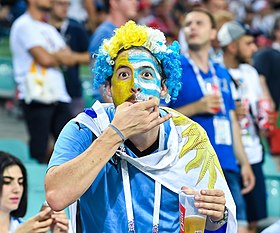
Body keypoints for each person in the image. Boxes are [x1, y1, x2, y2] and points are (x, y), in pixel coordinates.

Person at [45, 21, 237, 232]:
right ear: (108, 89)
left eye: (146, 74)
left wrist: (218, 217)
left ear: (163, 88)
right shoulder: (86, 128)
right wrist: (116, 133)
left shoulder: (188, 136)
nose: (134, 84)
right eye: (123, 74)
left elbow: (211, 225)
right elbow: (56, 196)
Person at [168, 8, 255, 233]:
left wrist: (243, 162)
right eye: (188, 24)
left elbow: (232, 120)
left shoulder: (222, 72)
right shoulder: (175, 69)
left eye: (199, 23)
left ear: (214, 32)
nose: (192, 28)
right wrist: (196, 107)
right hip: (194, 164)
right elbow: (162, 116)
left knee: (240, 227)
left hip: (227, 162)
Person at [9, 0, 81, 163]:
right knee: (39, 150)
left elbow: (69, 58)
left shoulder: (48, 28)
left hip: (59, 95)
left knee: (71, 148)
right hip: (36, 95)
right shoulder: (23, 25)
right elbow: (45, 59)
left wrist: (54, 57)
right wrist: (58, 57)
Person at [218, 20, 269, 233]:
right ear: (232, 46)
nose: (254, 48)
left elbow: (262, 109)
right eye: (248, 43)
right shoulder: (216, 71)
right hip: (231, 157)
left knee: (254, 221)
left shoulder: (251, 72)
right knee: (234, 224)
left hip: (254, 154)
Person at [0, 151, 69, 233]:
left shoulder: (25, 228)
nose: (17, 189)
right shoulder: (24, 230)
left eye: (20, 182)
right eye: (7, 182)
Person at [88, 0, 138, 103]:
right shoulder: (104, 34)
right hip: (109, 112)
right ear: (114, 2)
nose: (135, 2)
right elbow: (101, 84)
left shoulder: (132, 33)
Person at [49, 0, 90, 117]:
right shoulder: (42, 27)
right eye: (60, 4)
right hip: (48, 90)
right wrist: (59, 57)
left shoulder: (76, 28)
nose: (65, 8)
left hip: (72, 90)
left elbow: (90, 56)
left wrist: (73, 57)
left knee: (75, 130)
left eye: (67, 4)